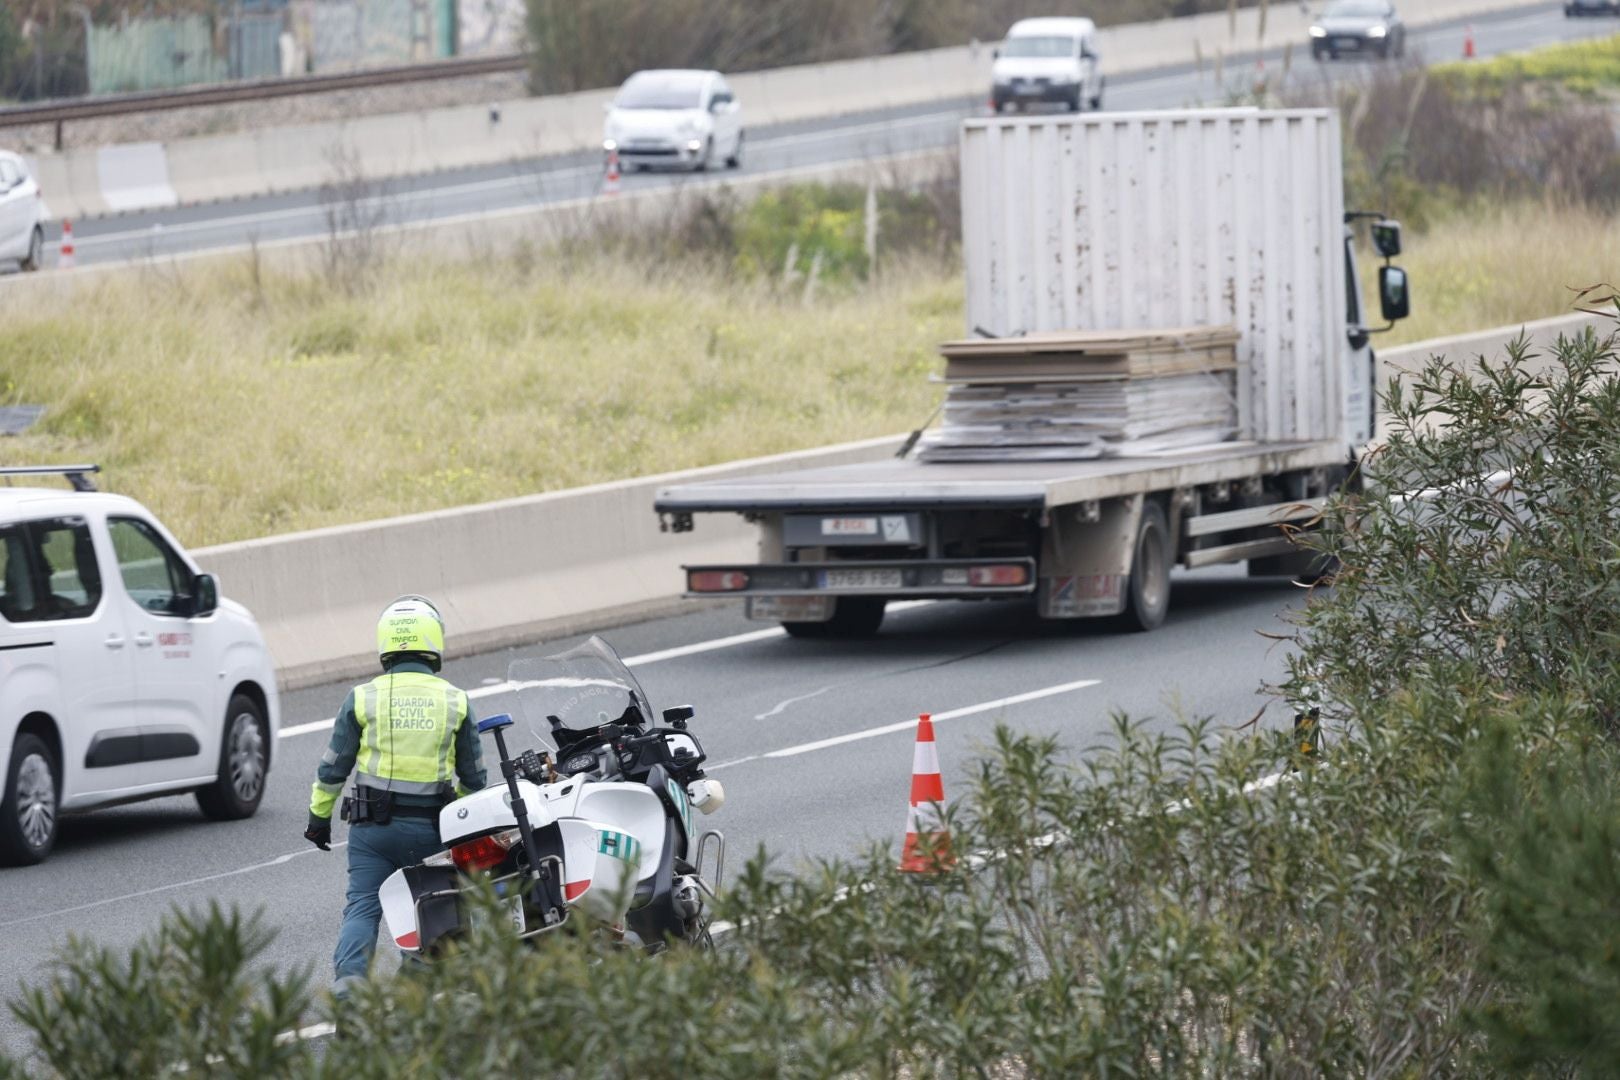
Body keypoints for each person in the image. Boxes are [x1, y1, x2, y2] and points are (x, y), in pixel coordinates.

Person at [304, 594, 486, 995]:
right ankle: (411, 995)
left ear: (385, 645)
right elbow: (474, 779)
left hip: (373, 832)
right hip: (431, 833)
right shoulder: (454, 700)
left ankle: (350, 989)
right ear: (434, 642)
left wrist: (319, 819)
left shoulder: (362, 697)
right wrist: (460, 816)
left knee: (363, 907)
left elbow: (333, 767)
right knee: (430, 908)